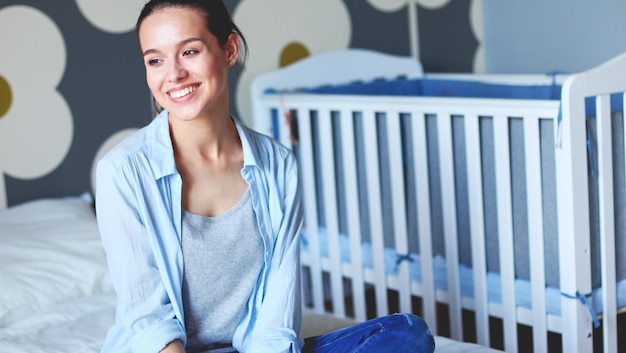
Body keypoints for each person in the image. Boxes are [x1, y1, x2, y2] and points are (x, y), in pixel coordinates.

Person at [95, 1, 436, 352]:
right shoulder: (122, 172)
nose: (174, 74)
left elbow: (275, 316)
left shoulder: (278, 165)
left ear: (229, 50)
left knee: (407, 332)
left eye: (190, 51)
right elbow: (147, 318)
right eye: (155, 60)